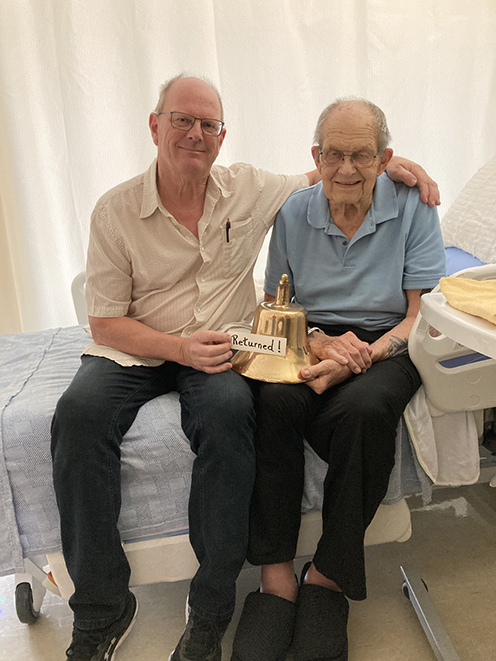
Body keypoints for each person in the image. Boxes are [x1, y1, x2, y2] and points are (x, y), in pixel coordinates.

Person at [50, 74, 440, 661]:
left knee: (269, 409)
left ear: (222, 136)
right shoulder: (118, 210)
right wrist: (303, 344)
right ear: (155, 126)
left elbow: (341, 178)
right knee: (83, 417)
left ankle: (256, 598)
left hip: (299, 347)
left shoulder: (253, 189)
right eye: (182, 120)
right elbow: (107, 323)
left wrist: (395, 166)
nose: (195, 134)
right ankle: (124, 603)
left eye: (209, 124)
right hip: (156, 347)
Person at [230, 99, 446, 661]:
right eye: (334, 154)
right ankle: (275, 576)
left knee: (365, 411)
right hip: (315, 333)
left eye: (361, 155)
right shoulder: (293, 212)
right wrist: (323, 345)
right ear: (315, 157)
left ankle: (327, 574)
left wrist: (363, 357)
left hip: (386, 339)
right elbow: (283, 306)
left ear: (385, 159)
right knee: (273, 399)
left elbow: (418, 316)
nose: (346, 169)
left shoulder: (414, 207)